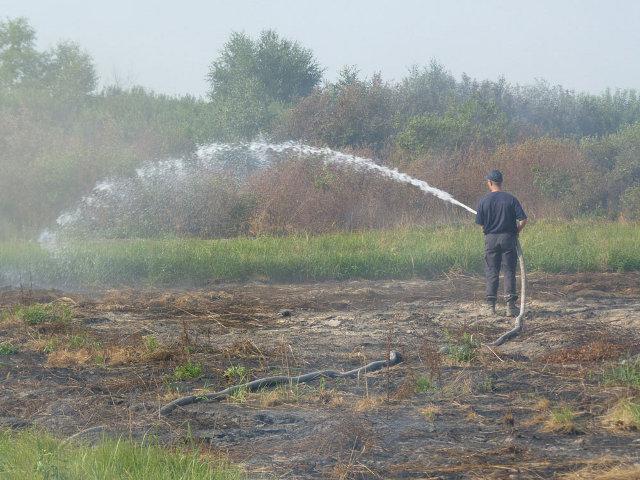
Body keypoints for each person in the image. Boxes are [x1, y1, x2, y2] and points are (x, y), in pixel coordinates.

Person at [475, 170, 527, 316]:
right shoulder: (511, 199)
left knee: (492, 271)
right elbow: (523, 219)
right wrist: (517, 230)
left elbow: (481, 224)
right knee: (509, 270)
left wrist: (488, 228)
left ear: (490, 183)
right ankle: (511, 307)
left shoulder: (484, 201)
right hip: (508, 238)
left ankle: (490, 307)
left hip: (490, 240)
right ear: (501, 182)